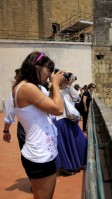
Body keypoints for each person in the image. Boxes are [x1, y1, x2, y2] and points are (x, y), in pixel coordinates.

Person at [11, 51, 64, 199]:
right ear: (37, 67)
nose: (50, 74)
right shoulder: (27, 88)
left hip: (42, 152)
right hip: (40, 155)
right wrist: (55, 84)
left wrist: (57, 86)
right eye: (49, 70)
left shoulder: (29, 87)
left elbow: (49, 107)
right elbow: (58, 109)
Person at [54, 73, 87, 175]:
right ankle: (66, 167)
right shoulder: (54, 90)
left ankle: (78, 163)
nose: (65, 79)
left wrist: (70, 84)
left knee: (79, 141)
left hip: (70, 120)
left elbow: (77, 97)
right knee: (66, 145)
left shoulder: (68, 89)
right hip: (60, 120)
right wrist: (57, 85)